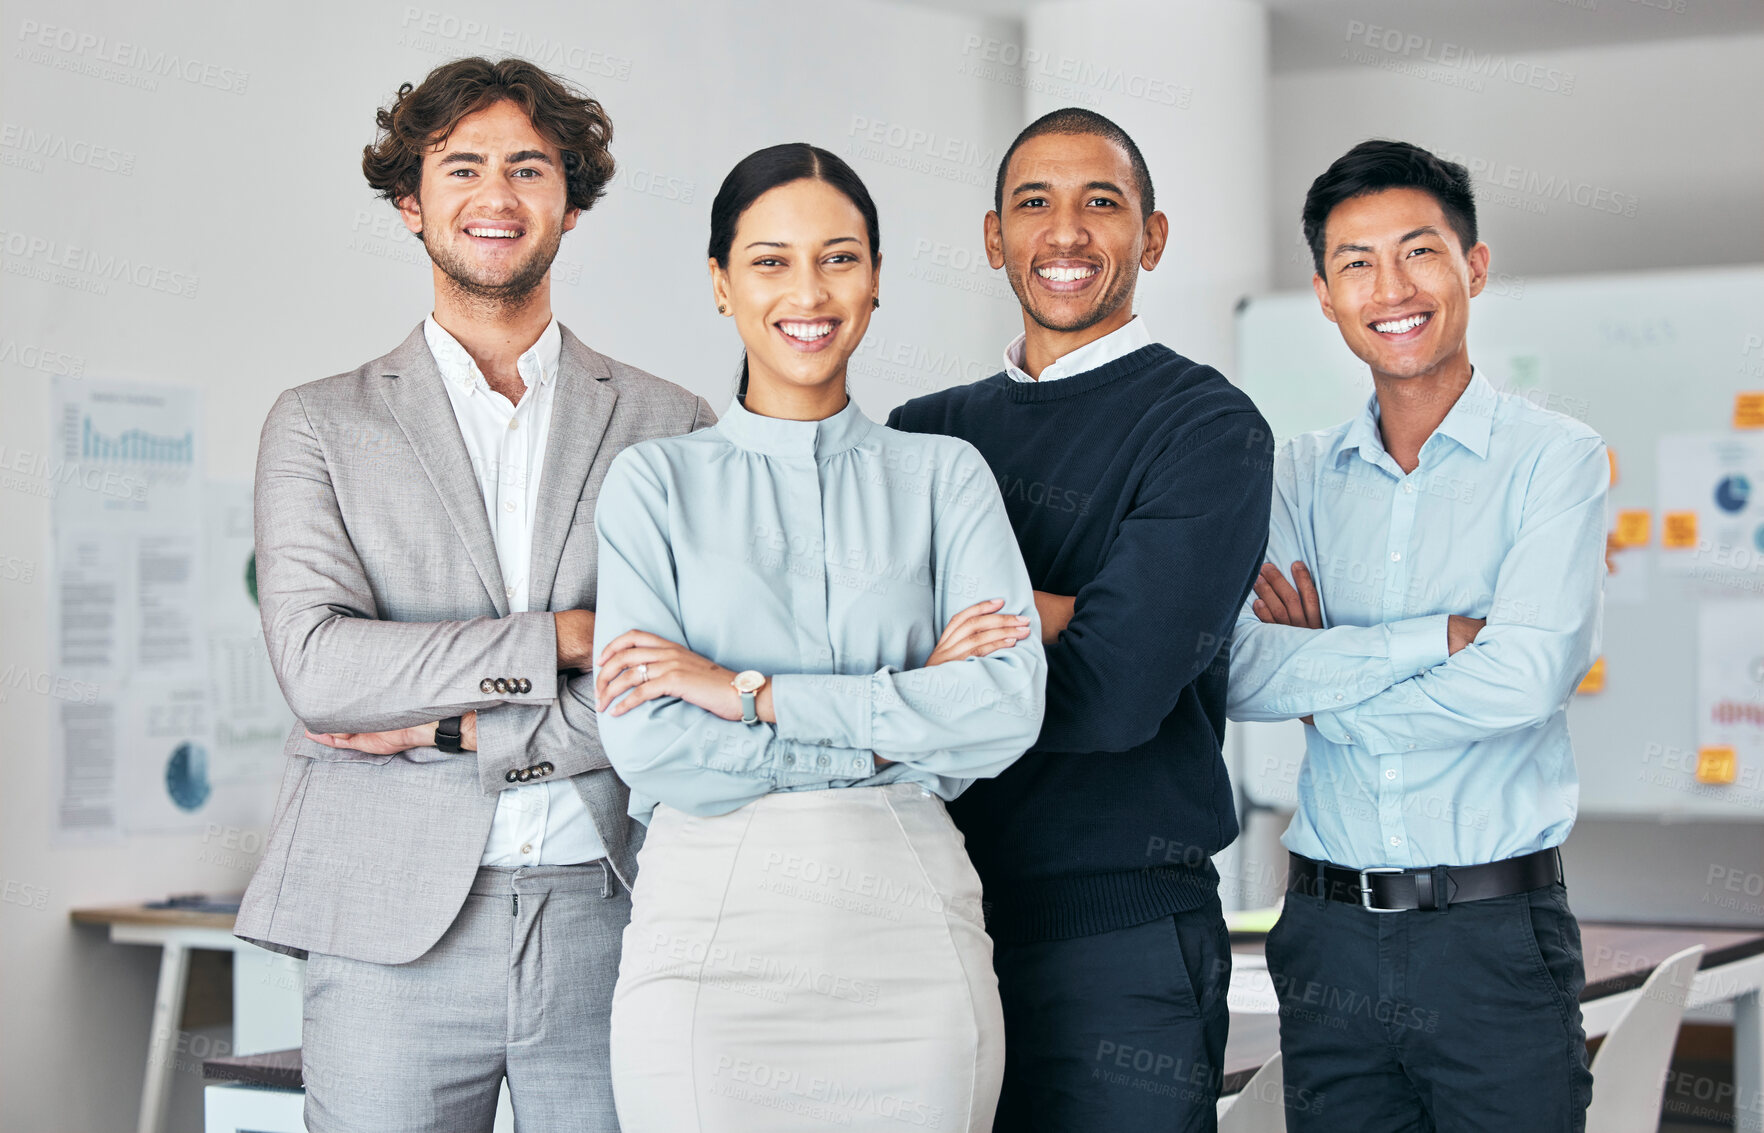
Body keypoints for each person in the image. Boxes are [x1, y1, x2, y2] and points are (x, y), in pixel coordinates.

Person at [233, 57, 712, 1132]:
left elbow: (680, 681)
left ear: (569, 202)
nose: (496, 197)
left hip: (615, 914)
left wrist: (451, 729)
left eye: (529, 168)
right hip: (383, 927)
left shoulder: (670, 423)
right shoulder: (317, 425)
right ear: (412, 201)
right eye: (462, 168)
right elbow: (320, 664)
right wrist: (567, 636)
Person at [590, 142, 1047, 1133]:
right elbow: (650, 743)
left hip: (913, 943)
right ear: (721, 284)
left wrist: (743, 691)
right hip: (711, 946)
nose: (810, 290)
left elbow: (1004, 712)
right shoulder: (653, 484)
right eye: (771, 260)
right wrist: (906, 705)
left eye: (840, 257)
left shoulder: (946, 477)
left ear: (876, 279)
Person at [888, 108, 1274, 1132]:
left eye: (1101, 203)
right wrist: (1063, 608)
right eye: (1034, 204)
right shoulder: (921, 434)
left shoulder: (1208, 427)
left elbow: (1115, 690)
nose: (1065, 232)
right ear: (992, 237)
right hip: (928, 922)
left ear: (1151, 236)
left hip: (1123, 943)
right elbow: (855, 656)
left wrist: (945, 644)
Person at [1227, 139, 1605, 1130]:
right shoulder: (1295, 476)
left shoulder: (1554, 461)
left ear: (1472, 267)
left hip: (1492, 940)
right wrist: (1437, 636)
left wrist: (1329, 687)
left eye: (1419, 252)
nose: (1390, 287)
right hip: (1323, 936)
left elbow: (1524, 680)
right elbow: (1246, 672)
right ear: (1323, 292)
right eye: (1357, 261)